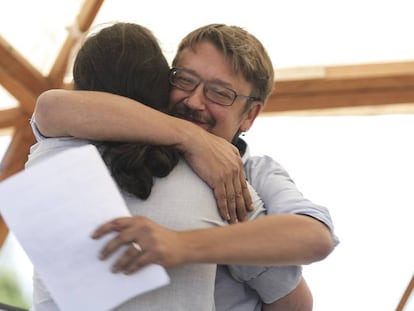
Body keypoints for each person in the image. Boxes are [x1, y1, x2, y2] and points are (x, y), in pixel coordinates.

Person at [32, 23, 338, 310]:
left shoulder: (255, 173)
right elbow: (52, 107)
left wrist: (183, 243)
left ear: (249, 115)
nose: (194, 101)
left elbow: (313, 239)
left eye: (219, 92)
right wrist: (191, 138)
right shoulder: (124, 148)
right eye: (185, 80)